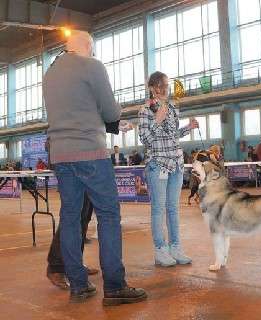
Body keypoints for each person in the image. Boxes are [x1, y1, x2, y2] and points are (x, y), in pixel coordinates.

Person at [43, 30, 146, 305]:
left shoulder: (50, 73)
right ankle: (114, 285)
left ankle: (78, 285)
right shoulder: (92, 65)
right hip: (90, 151)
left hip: (61, 155)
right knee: (109, 215)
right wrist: (116, 117)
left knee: (70, 217)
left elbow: (72, 110)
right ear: (89, 46)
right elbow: (111, 112)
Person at [139, 71, 198, 267]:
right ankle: (160, 250)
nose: (164, 90)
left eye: (166, 86)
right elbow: (146, 140)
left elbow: (173, 136)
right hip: (157, 164)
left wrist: (188, 127)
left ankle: (175, 247)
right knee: (158, 209)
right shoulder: (145, 110)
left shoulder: (173, 108)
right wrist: (156, 120)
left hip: (176, 164)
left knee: (173, 208)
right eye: (159, 86)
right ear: (152, 89)